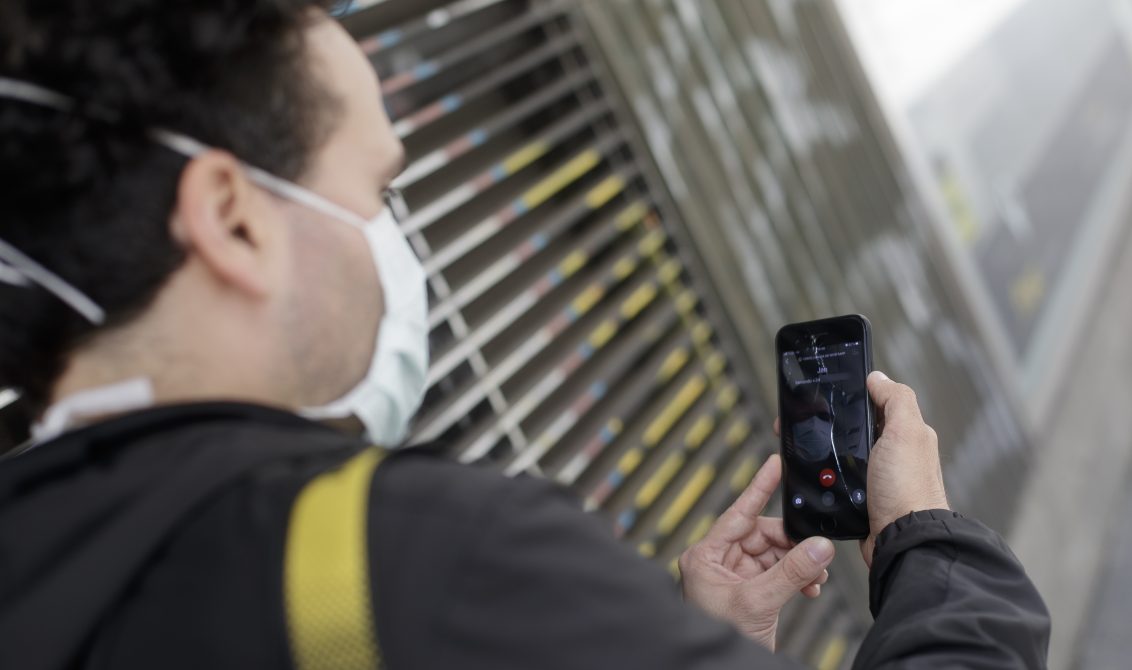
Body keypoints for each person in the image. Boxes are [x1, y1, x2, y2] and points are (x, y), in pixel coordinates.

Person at [0, 2, 1050, 668]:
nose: (395, 245)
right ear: (233, 218)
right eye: (376, 190)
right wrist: (927, 546)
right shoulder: (423, 564)